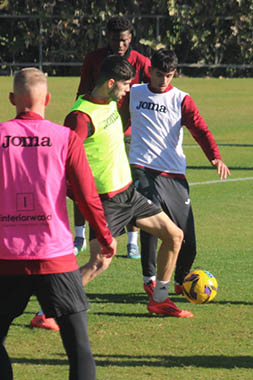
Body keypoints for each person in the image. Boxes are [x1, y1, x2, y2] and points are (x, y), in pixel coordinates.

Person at [0, 67, 118, 379]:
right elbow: (87, 197)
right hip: (56, 259)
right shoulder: (64, 138)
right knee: (79, 347)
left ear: (13, 98)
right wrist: (105, 239)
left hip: (5, 261)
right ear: (48, 99)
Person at [68, 54, 192, 318]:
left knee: (174, 236)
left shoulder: (111, 103)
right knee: (99, 263)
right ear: (111, 83)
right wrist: (80, 197)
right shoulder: (81, 117)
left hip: (129, 193)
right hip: (107, 202)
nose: (128, 90)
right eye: (125, 85)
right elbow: (61, 162)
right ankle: (48, 309)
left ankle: (160, 299)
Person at [129, 48, 230, 295]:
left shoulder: (181, 99)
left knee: (188, 240)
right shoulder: (133, 93)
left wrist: (214, 156)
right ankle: (150, 279)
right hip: (142, 168)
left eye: (170, 75)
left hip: (173, 174)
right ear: (149, 71)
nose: (164, 81)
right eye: (160, 74)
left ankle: (181, 282)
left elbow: (200, 129)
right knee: (152, 224)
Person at [72, 15, 152, 259]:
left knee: (130, 184)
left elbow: (156, 87)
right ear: (106, 37)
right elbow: (83, 90)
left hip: (128, 132)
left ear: (131, 39)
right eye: (116, 40)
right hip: (96, 129)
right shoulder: (95, 59)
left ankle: (133, 241)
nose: (120, 45)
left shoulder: (140, 61)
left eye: (124, 40)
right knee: (82, 179)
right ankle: (78, 235)